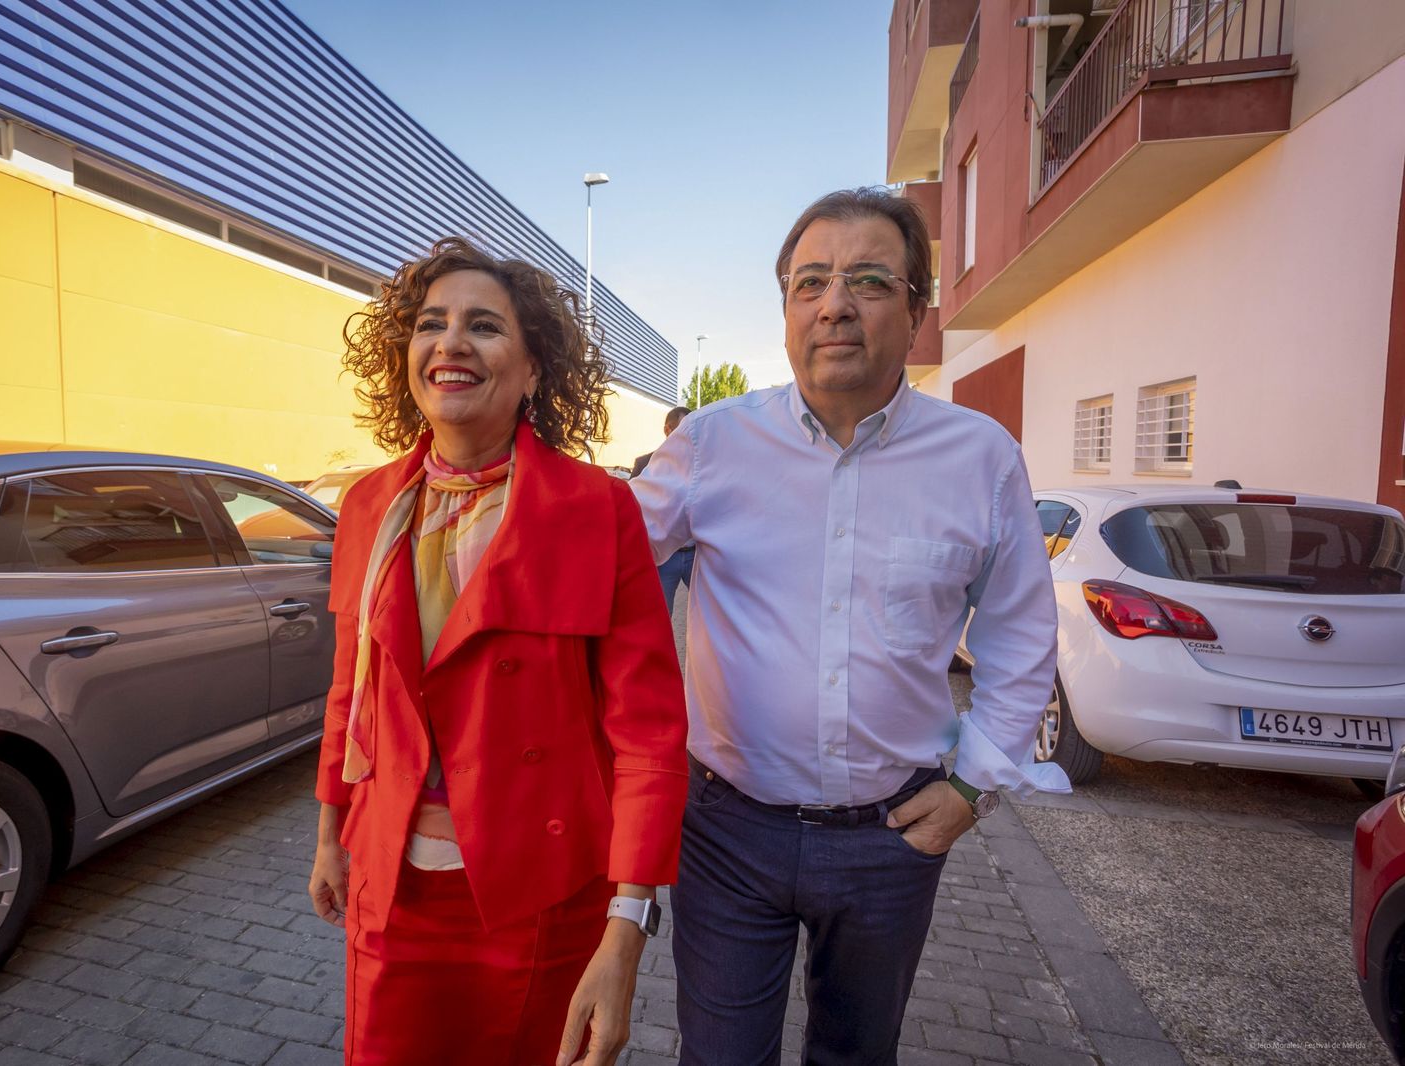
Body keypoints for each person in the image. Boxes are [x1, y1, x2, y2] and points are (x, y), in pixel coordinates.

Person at [631, 187, 1069, 1066]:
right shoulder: (711, 444)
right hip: (726, 833)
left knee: (858, 1055)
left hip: (891, 837)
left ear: (917, 310)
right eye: (810, 283)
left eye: (869, 279)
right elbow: (590, 566)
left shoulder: (979, 457)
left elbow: (1021, 634)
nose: (834, 304)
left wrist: (975, 787)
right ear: (788, 310)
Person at [308, 237, 688, 1065]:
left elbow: (649, 735)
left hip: (540, 896)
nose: (450, 343)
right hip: (391, 886)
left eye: (483, 327)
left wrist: (627, 929)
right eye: (431, 325)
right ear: (406, 356)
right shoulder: (369, 504)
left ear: (532, 370)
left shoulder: (597, 509)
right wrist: (330, 832)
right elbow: (351, 690)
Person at [631, 406, 695, 613]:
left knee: (707, 617)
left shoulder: (701, 462)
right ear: (667, 429)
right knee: (659, 615)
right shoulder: (644, 463)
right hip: (664, 559)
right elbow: (633, 509)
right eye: (681, 428)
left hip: (696, 555)